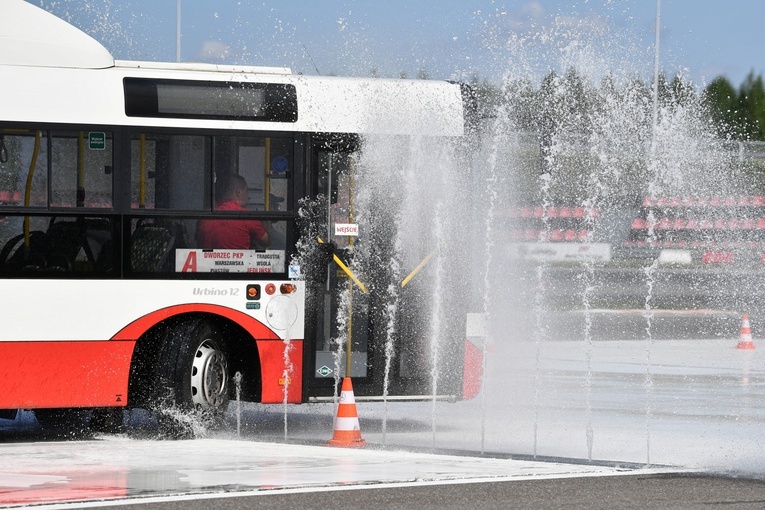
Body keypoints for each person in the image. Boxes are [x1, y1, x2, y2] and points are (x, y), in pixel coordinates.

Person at [197, 175, 269, 249]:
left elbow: (198, 243)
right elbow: (266, 242)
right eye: (246, 191)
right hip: (240, 260)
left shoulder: (206, 216)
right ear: (238, 192)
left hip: (206, 260)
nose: (248, 196)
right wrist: (266, 226)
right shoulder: (247, 216)